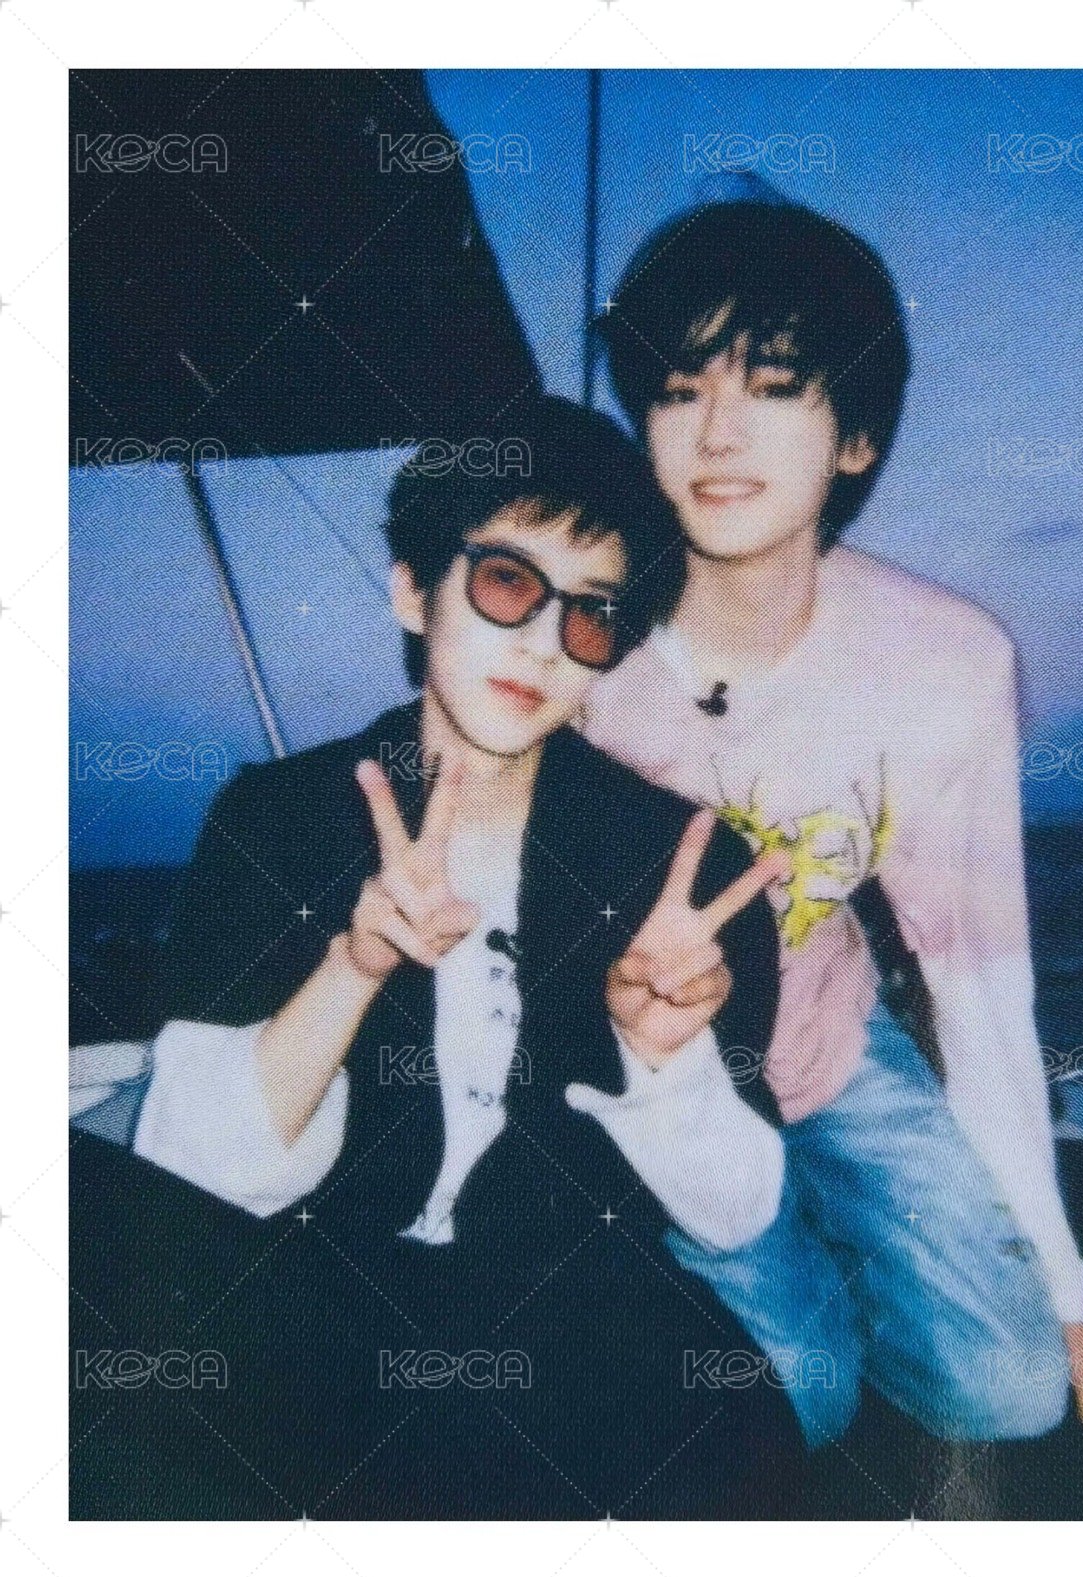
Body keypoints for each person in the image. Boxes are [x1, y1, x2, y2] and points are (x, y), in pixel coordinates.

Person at [101, 394, 814, 1520]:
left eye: (590, 615)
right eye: (507, 583)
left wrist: (664, 1055)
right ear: (411, 587)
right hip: (323, 1307)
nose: (543, 642)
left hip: (587, 1318)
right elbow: (196, 1172)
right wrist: (354, 965)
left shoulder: (675, 863)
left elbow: (731, 1216)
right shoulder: (277, 821)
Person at [585, 198, 1083, 1445]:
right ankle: (790, 1276)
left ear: (856, 436)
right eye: (677, 391)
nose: (716, 434)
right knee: (794, 1398)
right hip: (653, 1077)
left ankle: (834, 1244)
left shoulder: (946, 663)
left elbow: (975, 983)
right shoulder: (582, 652)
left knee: (1009, 1392)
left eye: (774, 388)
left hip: (832, 1042)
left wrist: (1060, 1290)